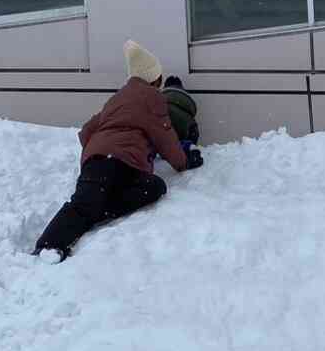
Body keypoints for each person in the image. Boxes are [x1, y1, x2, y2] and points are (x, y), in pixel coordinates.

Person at [34, 42, 204, 262]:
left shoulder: (118, 98)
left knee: (88, 202)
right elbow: (166, 138)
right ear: (155, 78)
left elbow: (85, 132)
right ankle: (49, 247)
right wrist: (184, 161)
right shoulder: (153, 97)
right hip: (123, 162)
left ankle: (63, 234)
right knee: (149, 188)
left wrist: (100, 147)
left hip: (99, 160)